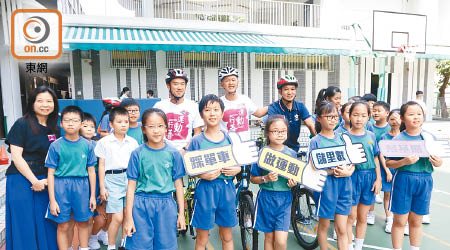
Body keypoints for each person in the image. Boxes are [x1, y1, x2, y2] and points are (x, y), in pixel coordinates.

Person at [5, 85, 59, 250]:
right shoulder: (21, 124)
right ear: (32, 103)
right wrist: (34, 180)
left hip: (45, 180)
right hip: (22, 180)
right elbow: (16, 156)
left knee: (46, 221)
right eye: (40, 101)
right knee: (25, 222)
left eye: (49, 101)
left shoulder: (54, 127)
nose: (45, 105)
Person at [123, 108, 186, 249]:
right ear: (143, 129)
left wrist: (181, 214)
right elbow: (131, 187)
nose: (156, 130)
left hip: (166, 205)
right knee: (139, 246)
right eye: (151, 126)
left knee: (165, 246)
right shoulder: (137, 154)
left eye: (160, 126)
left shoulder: (174, 154)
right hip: (141, 205)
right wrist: (128, 218)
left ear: (166, 129)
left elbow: (178, 186)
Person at [187, 94, 241, 250]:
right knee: (202, 238)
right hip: (205, 190)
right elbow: (190, 168)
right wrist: (202, 175)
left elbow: (238, 163)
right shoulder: (197, 141)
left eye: (216, 109)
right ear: (201, 114)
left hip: (227, 189)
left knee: (227, 236)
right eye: (207, 110)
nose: (212, 113)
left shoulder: (230, 138)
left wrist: (236, 169)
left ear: (222, 113)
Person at [386, 101, 443, 250]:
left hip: (425, 181)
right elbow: (389, 163)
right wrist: (404, 161)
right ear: (403, 119)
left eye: (419, 114)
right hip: (404, 180)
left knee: (416, 221)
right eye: (411, 114)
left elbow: (439, 161)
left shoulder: (429, 137)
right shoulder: (398, 139)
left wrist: (438, 163)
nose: (416, 117)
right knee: (399, 221)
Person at [45, 106, 97, 250]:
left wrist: (92, 196)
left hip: (82, 187)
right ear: (61, 124)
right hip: (61, 187)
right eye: (67, 120)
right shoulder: (55, 146)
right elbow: (50, 173)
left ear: (81, 123)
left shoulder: (88, 146)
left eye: (75, 120)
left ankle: (84, 247)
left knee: (83, 222)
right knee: (63, 224)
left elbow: (91, 172)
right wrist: (53, 200)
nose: (71, 123)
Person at [310, 102, 354, 250]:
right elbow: (312, 168)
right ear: (318, 118)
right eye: (328, 116)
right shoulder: (315, 141)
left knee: (342, 229)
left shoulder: (344, 138)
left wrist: (348, 172)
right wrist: (331, 171)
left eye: (335, 116)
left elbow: (352, 163)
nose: (333, 120)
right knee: (324, 225)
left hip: (345, 185)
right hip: (326, 187)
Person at [250, 115, 297, 250]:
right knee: (269, 238)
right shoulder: (261, 153)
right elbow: (253, 178)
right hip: (266, 198)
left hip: (285, 199)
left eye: (283, 131)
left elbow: (296, 177)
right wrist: (266, 178)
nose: (279, 134)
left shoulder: (291, 154)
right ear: (267, 133)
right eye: (275, 131)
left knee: (281, 241)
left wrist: (293, 182)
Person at [95, 107, 139, 250]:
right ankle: (111, 245)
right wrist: (102, 187)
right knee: (117, 217)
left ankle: (124, 244)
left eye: (126, 121)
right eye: (119, 122)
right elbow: (101, 166)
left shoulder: (132, 142)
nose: (124, 124)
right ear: (112, 124)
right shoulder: (104, 142)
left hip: (129, 180)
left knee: (127, 215)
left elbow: (136, 166)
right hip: (112, 180)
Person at [345, 101, 382, 250]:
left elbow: (375, 158)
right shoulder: (343, 137)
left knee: (362, 217)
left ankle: (358, 246)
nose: (359, 119)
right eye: (355, 115)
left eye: (363, 115)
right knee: (350, 217)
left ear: (369, 117)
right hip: (351, 178)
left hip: (369, 178)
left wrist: (378, 179)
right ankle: (347, 245)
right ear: (349, 116)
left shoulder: (371, 136)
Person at [78, 113, 108, 250]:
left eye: (92, 126)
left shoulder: (98, 144)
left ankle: (95, 235)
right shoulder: (77, 144)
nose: (89, 129)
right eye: (85, 126)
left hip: (96, 181)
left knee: (103, 213)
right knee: (86, 216)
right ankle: (81, 242)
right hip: (83, 183)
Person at [154, 69, 204, 152]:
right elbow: (154, 130)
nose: (179, 87)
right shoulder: (159, 106)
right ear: (168, 86)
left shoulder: (194, 106)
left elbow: (197, 133)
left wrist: (185, 149)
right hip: (163, 151)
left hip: (186, 152)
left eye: (182, 84)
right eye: (175, 84)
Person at [268, 75, 316, 152]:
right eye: (286, 89)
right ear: (280, 91)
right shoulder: (273, 108)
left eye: (292, 89)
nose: (290, 92)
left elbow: (311, 125)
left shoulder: (300, 106)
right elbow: (273, 130)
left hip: (294, 149)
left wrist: (319, 141)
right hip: (276, 149)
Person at [219, 66, 268, 141]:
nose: (231, 83)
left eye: (233, 80)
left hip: (245, 146)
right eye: (227, 81)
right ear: (222, 84)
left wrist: (277, 104)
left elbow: (259, 113)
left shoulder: (245, 100)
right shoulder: (218, 103)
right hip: (226, 146)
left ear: (238, 82)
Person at [367, 101, 391, 225]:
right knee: (373, 190)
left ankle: (389, 217)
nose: (375, 113)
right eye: (374, 110)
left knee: (388, 193)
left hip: (388, 164)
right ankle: (370, 214)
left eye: (378, 110)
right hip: (373, 163)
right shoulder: (370, 126)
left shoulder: (390, 128)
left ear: (387, 113)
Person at [379, 109, 401, 234]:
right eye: (392, 119)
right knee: (387, 195)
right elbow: (381, 155)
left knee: (399, 195)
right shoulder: (384, 136)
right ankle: (389, 219)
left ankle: (401, 221)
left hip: (400, 171)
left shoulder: (404, 136)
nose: (395, 121)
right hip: (387, 169)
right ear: (388, 120)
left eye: (397, 118)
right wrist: (387, 170)